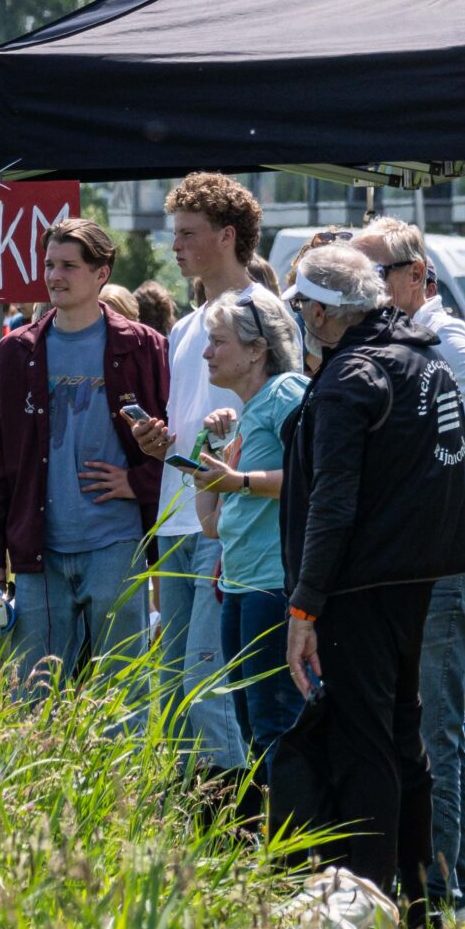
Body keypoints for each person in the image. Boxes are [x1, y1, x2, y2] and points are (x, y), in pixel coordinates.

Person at [270, 244, 465, 928]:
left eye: (302, 306)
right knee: (402, 741)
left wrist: (305, 602)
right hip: (417, 577)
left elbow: (333, 500)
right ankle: (420, 911)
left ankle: (365, 910)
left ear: (326, 313)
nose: (300, 317)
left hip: (357, 586)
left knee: (367, 746)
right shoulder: (425, 356)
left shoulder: (349, 378)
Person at [354, 217, 465, 919]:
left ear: (417, 274)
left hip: (449, 560)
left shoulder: (442, 333)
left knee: (434, 732)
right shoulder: (396, 341)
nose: (364, 290)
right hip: (423, 560)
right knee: (420, 727)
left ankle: (448, 893)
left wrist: (444, 505)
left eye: (374, 275)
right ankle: (443, 885)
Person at [0, 219, 169, 698]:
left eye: (68, 266)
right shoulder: (19, 350)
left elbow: (172, 441)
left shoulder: (142, 345)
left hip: (116, 541)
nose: (54, 276)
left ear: (101, 273)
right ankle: (37, 771)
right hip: (39, 544)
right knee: (34, 686)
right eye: (48, 265)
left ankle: (122, 773)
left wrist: (137, 482)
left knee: (125, 685)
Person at [130, 172, 261, 780]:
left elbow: (280, 411)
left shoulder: (262, 315)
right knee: (173, 689)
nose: (176, 246)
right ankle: (191, 825)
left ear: (227, 237)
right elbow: (193, 422)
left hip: (227, 523)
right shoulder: (186, 324)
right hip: (178, 516)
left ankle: (239, 827)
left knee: (208, 684)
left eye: (188, 234)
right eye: (174, 233)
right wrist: (158, 440)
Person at [185, 284, 305, 773]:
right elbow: (210, 524)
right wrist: (208, 450)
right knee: (252, 724)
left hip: (274, 585)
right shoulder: (244, 415)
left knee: (274, 723)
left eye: (219, 342)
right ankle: (272, 837)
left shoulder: (288, 392)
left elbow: (315, 476)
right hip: (239, 584)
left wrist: (239, 479)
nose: (208, 353)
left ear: (258, 349)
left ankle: (295, 844)